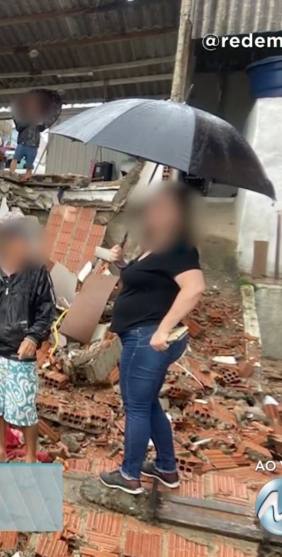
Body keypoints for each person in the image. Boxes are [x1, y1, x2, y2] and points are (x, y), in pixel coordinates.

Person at [98, 182, 206, 495]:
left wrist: (162, 329)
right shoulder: (155, 245)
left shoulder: (179, 247)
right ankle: (166, 467)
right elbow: (143, 286)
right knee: (147, 404)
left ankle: (129, 475)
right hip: (141, 335)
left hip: (148, 338)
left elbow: (195, 288)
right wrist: (120, 262)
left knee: (136, 407)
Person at [0, 218, 56, 463]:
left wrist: (33, 337)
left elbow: (46, 310)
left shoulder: (36, 272)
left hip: (19, 353)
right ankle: (0, 450)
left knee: (24, 409)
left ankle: (29, 457)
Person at [9, 95, 46, 183]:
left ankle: (27, 177)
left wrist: (41, 124)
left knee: (30, 164)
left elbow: (42, 128)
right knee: (15, 158)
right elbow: (19, 126)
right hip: (23, 142)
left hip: (33, 144)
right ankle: (11, 174)